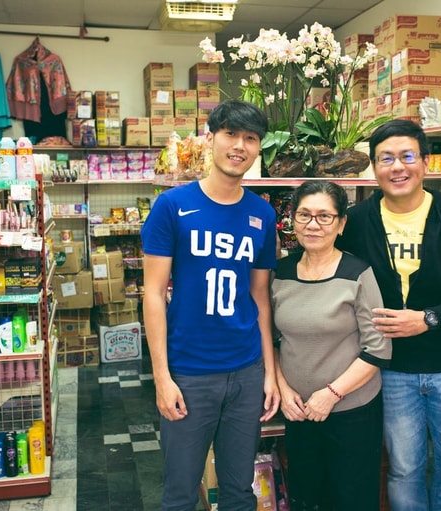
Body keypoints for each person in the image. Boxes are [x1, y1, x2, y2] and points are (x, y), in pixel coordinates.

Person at [337, 119, 441, 511]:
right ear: (373, 167)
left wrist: (428, 319)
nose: (398, 167)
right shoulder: (356, 223)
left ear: (425, 162)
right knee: (405, 469)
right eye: (386, 158)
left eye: (407, 156)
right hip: (390, 371)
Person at [141, 99, 280, 511]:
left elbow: (260, 298)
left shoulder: (262, 214)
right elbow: (153, 294)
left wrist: (270, 373)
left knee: (239, 492)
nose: (239, 146)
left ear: (258, 148)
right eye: (230, 134)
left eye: (250, 138)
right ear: (211, 138)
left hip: (246, 372)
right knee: (180, 495)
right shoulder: (172, 206)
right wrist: (162, 378)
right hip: (189, 374)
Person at [271, 181, 392, 510]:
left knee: (351, 499)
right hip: (299, 410)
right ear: (292, 220)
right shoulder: (280, 274)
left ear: (341, 224)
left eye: (324, 216)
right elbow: (273, 340)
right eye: (304, 215)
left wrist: (331, 394)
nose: (313, 224)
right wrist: (284, 389)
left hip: (352, 412)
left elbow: (378, 349)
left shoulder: (358, 273)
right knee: (306, 498)